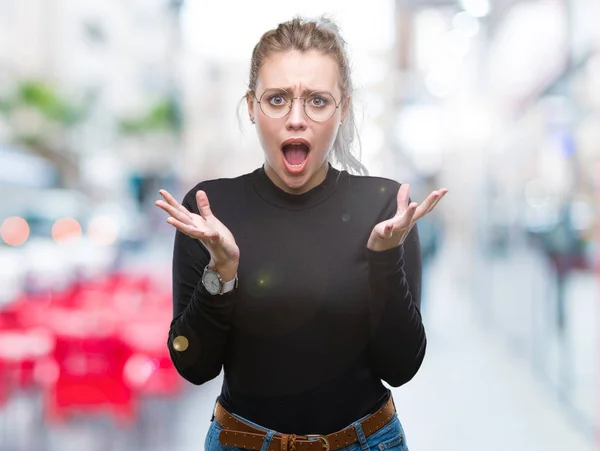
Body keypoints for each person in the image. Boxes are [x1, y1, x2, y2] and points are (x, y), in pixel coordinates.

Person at [155, 16, 447, 451]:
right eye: (276, 99)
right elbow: (193, 366)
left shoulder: (386, 209)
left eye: (317, 100)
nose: (296, 119)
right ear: (251, 106)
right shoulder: (209, 212)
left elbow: (401, 366)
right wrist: (222, 272)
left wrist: (384, 260)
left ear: (343, 109)